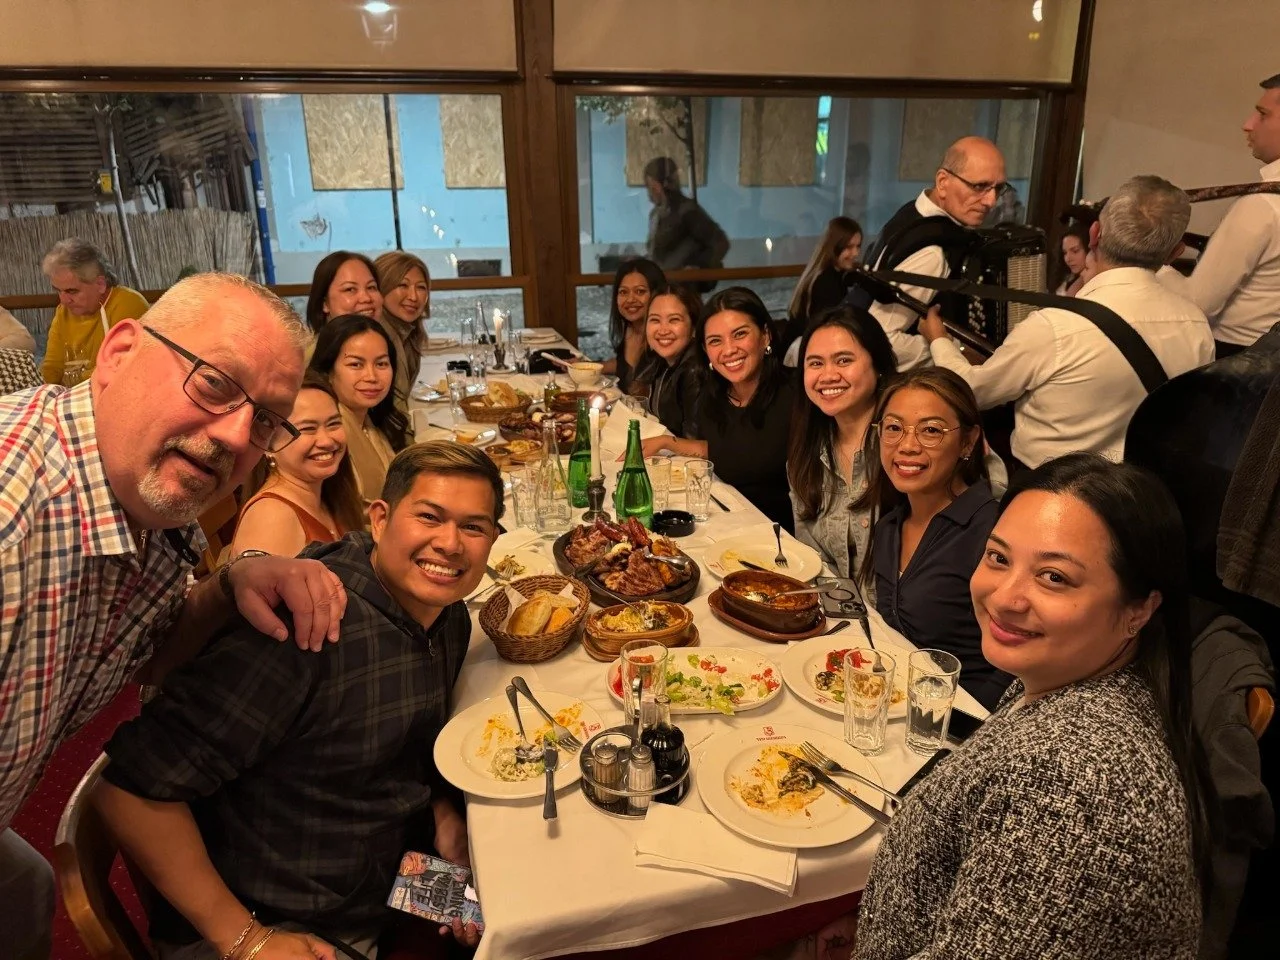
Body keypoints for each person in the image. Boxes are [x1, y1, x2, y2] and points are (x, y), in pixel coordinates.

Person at [0, 273, 348, 960]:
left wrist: (226, 586)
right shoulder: (13, 529)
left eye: (266, 420)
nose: (235, 437)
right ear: (119, 352)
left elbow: (143, 656)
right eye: (215, 383)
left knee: (25, 888)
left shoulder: (146, 511)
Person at [92, 441, 499, 959]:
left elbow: (402, 745)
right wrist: (246, 940)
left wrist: (442, 816)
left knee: (520, 907)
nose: (450, 544)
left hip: (385, 870)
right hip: (281, 915)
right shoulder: (305, 629)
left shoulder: (445, 616)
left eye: (474, 527)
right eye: (429, 517)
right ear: (379, 518)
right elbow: (126, 791)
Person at [820, 454, 1212, 960]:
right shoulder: (1059, 679)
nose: (1005, 597)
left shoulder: (1078, 787)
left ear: (1140, 609)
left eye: (1054, 577)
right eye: (999, 558)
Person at [922, 175, 1215, 470]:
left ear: (1095, 233)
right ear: (1175, 253)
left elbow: (971, 391)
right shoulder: (1196, 326)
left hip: (1046, 495)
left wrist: (938, 339)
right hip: (1140, 497)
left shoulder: (1055, 326)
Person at [857, 368, 1011, 710]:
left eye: (930, 431)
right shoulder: (889, 528)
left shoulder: (992, 532)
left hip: (961, 724)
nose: (907, 446)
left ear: (968, 442)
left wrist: (958, 726)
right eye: (894, 428)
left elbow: (1012, 666)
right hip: (898, 707)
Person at [645, 287, 795, 529]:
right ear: (705, 350)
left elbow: (749, 457)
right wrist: (666, 442)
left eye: (739, 334)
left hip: (779, 537)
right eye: (716, 341)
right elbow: (725, 449)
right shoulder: (712, 396)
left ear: (765, 335)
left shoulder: (796, 394)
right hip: (725, 524)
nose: (728, 350)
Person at [863, 136, 1007, 370]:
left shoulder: (913, 212)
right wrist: (951, 348)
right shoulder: (933, 252)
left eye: (998, 188)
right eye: (979, 186)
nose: (991, 201)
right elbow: (878, 340)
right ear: (942, 182)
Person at [1162, 74, 1280, 358]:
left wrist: (1156, 267)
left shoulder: (1263, 206)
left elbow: (1196, 304)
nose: (1248, 124)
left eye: (1262, 114)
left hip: (1234, 365)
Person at [787, 305, 897, 581]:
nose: (828, 375)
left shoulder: (907, 444)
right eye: (815, 363)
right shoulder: (807, 454)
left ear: (879, 365)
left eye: (844, 360)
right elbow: (814, 562)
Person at [231, 373, 366, 557]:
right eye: (308, 429)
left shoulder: (329, 495)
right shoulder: (272, 518)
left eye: (333, 424)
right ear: (268, 443)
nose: (326, 440)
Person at [309, 313, 410, 504]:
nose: (372, 376)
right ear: (328, 371)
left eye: (381, 364)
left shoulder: (370, 420)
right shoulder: (329, 434)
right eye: (356, 364)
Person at [39, 238, 150, 386]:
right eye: (58, 291)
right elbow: (52, 367)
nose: (64, 301)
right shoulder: (63, 313)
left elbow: (120, 368)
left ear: (100, 284)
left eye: (72, 291)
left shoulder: (128, 304)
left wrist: (73, 380)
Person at [644, 156, 730, 281]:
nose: (650, 192)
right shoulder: (656, 215)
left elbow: (720, 243)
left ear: (659, 185)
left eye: (652, 186)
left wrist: (697, 267)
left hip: (682, 288)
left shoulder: (687, 211)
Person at [784, 217, 863, 352]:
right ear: (834, 247)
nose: (856, 253)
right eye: (849, 247)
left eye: (858, 246)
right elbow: (829, 331)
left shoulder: (828, 275)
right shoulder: (826, 282)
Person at [642, 283, 704, 440]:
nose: (663, 330)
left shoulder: (695, 371)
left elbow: (696, 442)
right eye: (655, 320)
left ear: (694, 327)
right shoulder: (662, 360)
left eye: (674, 320)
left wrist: (664, 443)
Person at [375, 250, 431, 415]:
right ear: (380, 288)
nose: (413, 297)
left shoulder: (408, 333)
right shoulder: (378, 337)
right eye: (403, 285)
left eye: (421, 287)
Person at [599, 257, 665, 394]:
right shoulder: (630, 328)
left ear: (656, 294)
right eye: (623, 292)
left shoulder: (664, 337)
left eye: (640, 291)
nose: (630, 299)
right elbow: (625, 366)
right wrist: (588, 367)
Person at [305, 250, 383, 335]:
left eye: (371, 287)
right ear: (324, 303)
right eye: (350, 289)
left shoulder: (385, 345)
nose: (366, 298)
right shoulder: (318, 348)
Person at [1053, 221, 1092, 296]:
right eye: (1065, 253)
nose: (1068, 259)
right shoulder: (1065, 275)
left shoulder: (1092, 280)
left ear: (1089, 250)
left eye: (1075, 251)